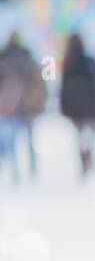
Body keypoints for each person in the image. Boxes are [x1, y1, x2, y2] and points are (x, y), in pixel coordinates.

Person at [59, 33, 95, 176]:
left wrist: (63, 105)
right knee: (90, 134)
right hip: (89, 104)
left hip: (74, 107)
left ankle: (84, 159)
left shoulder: (68, 63)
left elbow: (63, 86)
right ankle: (88, 157)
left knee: (81, 135)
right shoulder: (89, 61)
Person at [0, 31, 45, 183]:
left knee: (12, 140)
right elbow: (38, 80)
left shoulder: (3, 58)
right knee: (30, 139)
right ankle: (33, 170)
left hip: (10, 104)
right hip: (27, 104)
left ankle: (15, 172)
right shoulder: (28, 58)